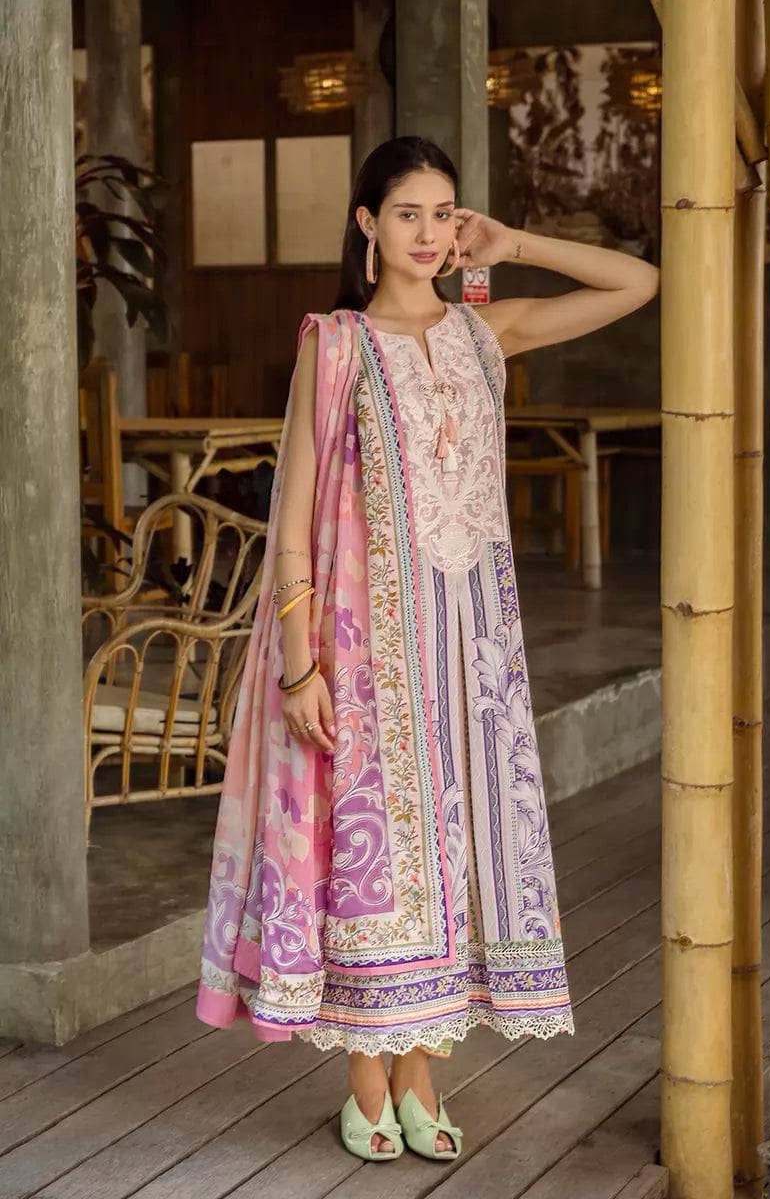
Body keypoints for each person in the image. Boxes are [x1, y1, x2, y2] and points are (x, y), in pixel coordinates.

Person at [196, 136, 660, 1163]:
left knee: (451, 856)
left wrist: (513, 242)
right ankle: (368, 1080)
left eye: (443, 213)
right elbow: (292, 515)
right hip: (366, 644)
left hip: (474, 648)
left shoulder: (486, 333)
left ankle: (421, 1074)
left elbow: (637, 283)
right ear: (367, 223)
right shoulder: (336, 344)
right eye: (407, 212)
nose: (428, 232)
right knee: (377, 859)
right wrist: (299, 663)